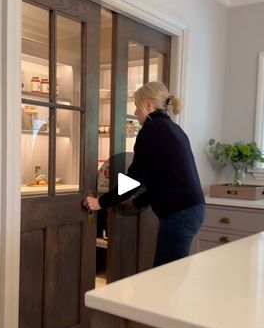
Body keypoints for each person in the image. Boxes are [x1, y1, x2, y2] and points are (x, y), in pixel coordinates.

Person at [83, 81, 205, 267]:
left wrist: (100, 202)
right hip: (191, 208)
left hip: (179, 213)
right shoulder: (174, 129)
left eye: (137, 106)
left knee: (165, 274)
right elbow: (161, 177)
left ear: (148, 104)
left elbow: (135, 177)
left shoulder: (151, 130)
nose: (135, 111)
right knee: (172, 272)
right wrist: (136, 202)